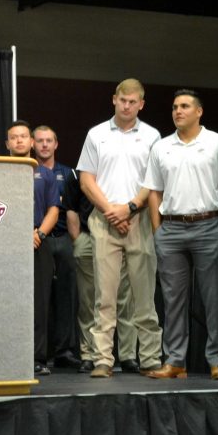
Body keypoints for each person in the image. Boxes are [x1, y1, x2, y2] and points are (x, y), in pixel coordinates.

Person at [142, 90, 218, 380]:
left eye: (184, 106)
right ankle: (175, 361)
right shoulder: (161, 147)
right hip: (170, 228)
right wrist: (158, 230)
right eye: (174, 107)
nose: (177, 111)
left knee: (214, 298)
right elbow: (154, 190)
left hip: (208, 225)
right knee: (172, 300)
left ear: (199, 112)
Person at [77, 78, 162, 378]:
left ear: (141, 103)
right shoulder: (96, 134)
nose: (126, 106)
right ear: (114, 99)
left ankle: (150, 358)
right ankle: (103, 359)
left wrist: (130, 208)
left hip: (138, 220)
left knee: (144, 295)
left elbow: (153, 182)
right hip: (104, 220)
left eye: (132, 101)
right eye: (122, 100)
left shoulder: (152, 136)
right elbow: (86, 180)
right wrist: (111, 210)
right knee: (105, 295)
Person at [63, 168, 139, 374]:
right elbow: (71, 209)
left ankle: (128, 355)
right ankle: (90, 354)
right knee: (90, 299)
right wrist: (77, 239)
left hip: (126, 230)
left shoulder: (123, 169)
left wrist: (120, 220)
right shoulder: (78, 175)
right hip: (88, 236)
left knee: (125, 298)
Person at [6, 121, 60, 375]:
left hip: (38, 242)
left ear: (31, 143)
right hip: (6, 245)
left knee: (39, 304)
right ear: (7, 144)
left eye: (23, 137)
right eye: (14, 137)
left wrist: (37, 233)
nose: (19, 141)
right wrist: (17, 235)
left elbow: (53, 209)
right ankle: (8, 356)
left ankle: (37, 358)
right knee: (8, 302)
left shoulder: (46, 174)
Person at [33, 125, 81, 369]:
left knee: (66, 295)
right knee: (38, 298)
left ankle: (64, 349)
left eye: (48, 141)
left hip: (62, 238)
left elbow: (75, 206)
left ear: (56, 144)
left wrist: (76, 239)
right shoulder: (28, 170)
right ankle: (40, 352)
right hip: (36, 239)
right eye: (39, 140)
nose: (44, 145)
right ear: (32, 143)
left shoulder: (69, 173)